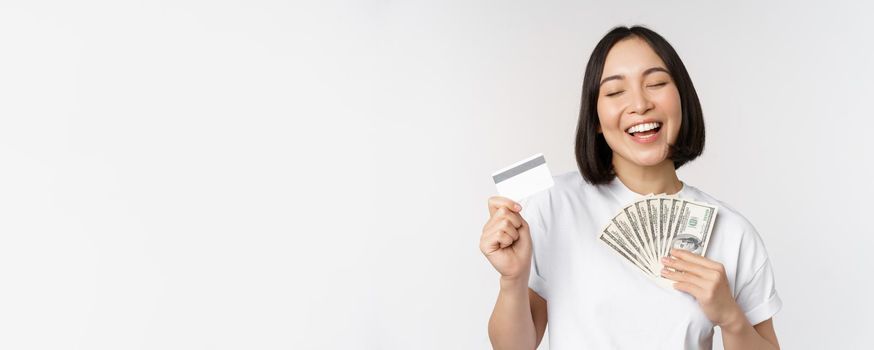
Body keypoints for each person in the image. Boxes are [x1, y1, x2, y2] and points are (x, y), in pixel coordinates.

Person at [480, 25, 782, 350]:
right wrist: (512, 280)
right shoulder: (552, 206)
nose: (639, 104)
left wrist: (731, 317)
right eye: (614, 92)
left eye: (656, 84)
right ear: (595, 118)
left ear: (682, 99)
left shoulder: (732, 232)